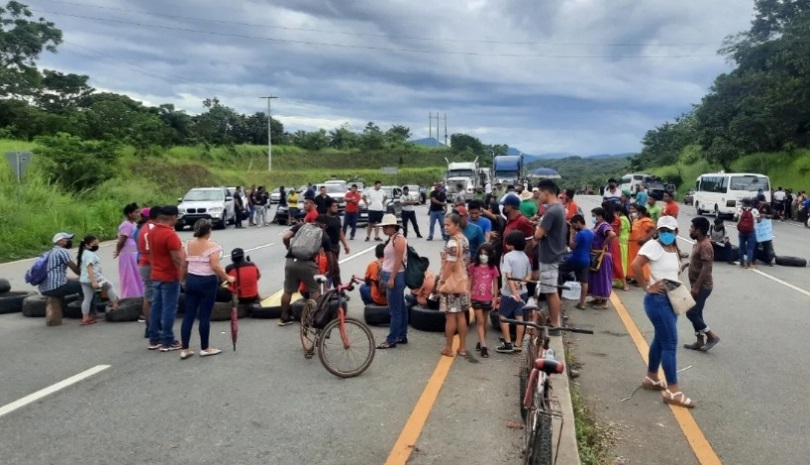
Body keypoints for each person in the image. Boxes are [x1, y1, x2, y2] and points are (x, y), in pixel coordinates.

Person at [631, 215, 695, 408]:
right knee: (670, 343)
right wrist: (646, 287)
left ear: (676, 232)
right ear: (658, 231)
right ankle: (673, 391)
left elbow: (668, 271)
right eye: (663, 231)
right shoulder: (653, 246)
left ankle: (652, 377)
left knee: (660, 339)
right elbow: (635, 265)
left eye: (670, 231)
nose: (666, 234)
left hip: (671, 298)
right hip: (658, 301)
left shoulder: (673, 248)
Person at [179, 219, 234, 360]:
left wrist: (182, 280)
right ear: (208, 231)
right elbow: (215, 266)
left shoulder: (188, 245)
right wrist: (228, 277)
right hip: (207, 282)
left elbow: (184, 265)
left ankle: (185, 348)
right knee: (204, 315)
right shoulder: (213, 246)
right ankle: (205, 348)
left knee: (189, 315)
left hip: (191, 280)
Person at [279, 215, 333, 326]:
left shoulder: (301, 226)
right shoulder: (323, 234)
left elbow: (285, 237)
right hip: (307, 264)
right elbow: (330, 257)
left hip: (291, 261)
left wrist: (288, 248)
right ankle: (311, 318)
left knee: (287, 291)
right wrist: (331, 271)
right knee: (315, 290)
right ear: (324, 225)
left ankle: (284, 317)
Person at [148, 206, 184, 352]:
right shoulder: (170, 235)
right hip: (169, 276)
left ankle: (154, 338)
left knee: (156, 307)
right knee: (169, 308)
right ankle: (168, 340)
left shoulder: (152, 232)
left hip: (156, 274)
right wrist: (183, 275)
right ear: (173, 217)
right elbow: (177, 258)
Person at [682, 217, 721, 352]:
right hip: (697, 285)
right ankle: (699, 341)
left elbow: (706, 267)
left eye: (692, 227)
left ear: (698, 230)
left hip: (703, 286)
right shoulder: (698, 243)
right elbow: (698, 261)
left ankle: (712, 336)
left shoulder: (705, 246)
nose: (690, 230)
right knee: (697, 313)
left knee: (691, 313)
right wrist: (687, 264)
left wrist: (697, 287)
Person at [533, 179, 566, 330]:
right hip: (554, 253)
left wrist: (538, 229)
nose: (539, 196)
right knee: (550, 289)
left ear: (546, 193)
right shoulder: (559, 207)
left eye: (540, 193)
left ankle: (554, 322)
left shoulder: (551, 211)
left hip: (549, 255)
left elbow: (538, 235)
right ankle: (553, 319)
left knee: (551, 291)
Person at [438, 212, 471, 357]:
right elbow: (467, 260)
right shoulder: (464, 239)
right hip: (462, 282)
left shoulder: (452, 243)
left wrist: (442, 281)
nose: (446, 227)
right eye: (444, 225)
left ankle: (449, 348)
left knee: (451, 316)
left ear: (457, 225)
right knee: (461, 315)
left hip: (451, 284)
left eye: (448, 225)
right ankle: (462, 348)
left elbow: (450, 265)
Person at [376, 214, 408, 349]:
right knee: (400, 308)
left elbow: (399, 260)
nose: (384, 229)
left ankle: (391, 340)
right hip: (392, 274)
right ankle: (401, 335)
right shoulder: (392, 239)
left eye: (385, 227)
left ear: (392, 227)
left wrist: (392, 278)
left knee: (395, 311)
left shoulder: (398, 239)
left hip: (396, 276)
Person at [496, 231, 531, 353]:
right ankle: (518, 344)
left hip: (508, 293)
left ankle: (507, 343)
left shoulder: (508, 257)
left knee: (503, 316)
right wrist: (521, 284)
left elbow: (508, 275)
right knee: (519, 317)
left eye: (507, 242)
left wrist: (513, 292)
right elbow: (529, 275)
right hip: (523, 292)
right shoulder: (525, 257)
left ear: (512, 244)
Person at [77, 235, 120, 326]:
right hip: (94, 278)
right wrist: (94, 281)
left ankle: (85, 318)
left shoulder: (84, 253)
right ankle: (115, 306)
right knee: (109, 286)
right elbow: (89, 268)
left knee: (87, 299)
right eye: (94, 244)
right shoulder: (90, 255)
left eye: (97, 243)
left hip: (84, 280)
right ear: (87, 245)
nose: (96, 245)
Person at [468, 244, 499, 358]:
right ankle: (483, 346)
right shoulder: (473, 267)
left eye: (486, 254)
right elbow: (470, 282)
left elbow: (495, 284)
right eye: (481, 253)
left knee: (484, 321)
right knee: (480, 321)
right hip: (476, 298)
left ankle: (481, 341)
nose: (483, 256)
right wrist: (468, 295)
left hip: (487, 298)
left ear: (490, 255)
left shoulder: (493, 268)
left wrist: (495, 298)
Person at [560, 215, 593, 310]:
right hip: (586, 259)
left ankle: (558, 296)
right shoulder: (590, 233)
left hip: (576, 258)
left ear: (578, 222)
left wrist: (571, 234)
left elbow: (572, 246)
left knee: (559, 270)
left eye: (574, 225)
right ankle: (582, 303)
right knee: (584, 281)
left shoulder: (580, 234)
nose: (573, 227)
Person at [137, 207, 160, 337]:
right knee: (152, 297)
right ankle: (152, 326)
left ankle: (150, 325)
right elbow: (150, 251)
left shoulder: (144, 228)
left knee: (149, 295)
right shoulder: (151, 229)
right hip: (150, 264)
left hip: (144, 263)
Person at [588, 207, 617, 309]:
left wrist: (604, 244)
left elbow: (612, 234)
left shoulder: (604, 225)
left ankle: (604, 301)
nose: (593, 218)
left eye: (594, 216)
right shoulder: (597, 225)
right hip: (596, 254)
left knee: (603, 278)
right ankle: (597, 298)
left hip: (603, 256)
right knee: (596, 278)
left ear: (600, 216)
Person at [39, 232, 82, 298]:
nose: (69, 241)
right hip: (57, 287)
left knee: (74, 281)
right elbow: (74, 267)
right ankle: (89, 304)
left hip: (44, 289)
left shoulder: (49, 253)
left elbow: (54, 274)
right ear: (59, 241)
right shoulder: (62, 251)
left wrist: (76, 278)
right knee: (86, 285)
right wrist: (84, 275)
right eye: (67, 239)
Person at [115, 203, 144, 299]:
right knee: (130, 276)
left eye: (138, 212)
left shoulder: (134, 224)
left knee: (137, 275)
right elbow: (121, 241)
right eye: (136, 212)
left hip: (134, 253)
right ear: (129, 214)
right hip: (128, 254)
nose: (138, 214)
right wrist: (118, 251)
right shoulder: (126, 225)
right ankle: (130, 296)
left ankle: (139, 294)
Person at [325, 198, 350, 286]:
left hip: (336, 246)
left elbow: (340, 232)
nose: (336, 208)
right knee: (335, 268)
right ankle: (338, 288)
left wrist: (345, 245)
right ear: (328, 208)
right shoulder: (324, 219)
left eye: (336, 206)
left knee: (332, 269)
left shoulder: (337, 218)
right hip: (328, 248)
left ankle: (327, 287)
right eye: (334, 206)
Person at [627, 205, 655, 282]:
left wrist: (644, 239)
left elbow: (652, 231)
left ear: (640, 213)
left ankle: (642, 278)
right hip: (634, 245)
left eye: (635, 211)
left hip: (641, 244)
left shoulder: (646, 221)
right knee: (634, 261)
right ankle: (635, 277)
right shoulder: (636, 220)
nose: (633, 212)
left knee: (640, 262)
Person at [735, 198, 759, 269]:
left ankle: (742, 263)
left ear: (744, 203)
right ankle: (749, 263)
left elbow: (734, 218)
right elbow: (759, 220)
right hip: (751, 231)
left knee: (741, 247)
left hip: (741, 231)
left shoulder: (740, 210)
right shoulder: (754, 210)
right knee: (750, 248)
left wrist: (740, 220)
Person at [613, 206, 632, 291]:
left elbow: (618, 232)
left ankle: (622, 282)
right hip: (624, 243)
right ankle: (619, 282)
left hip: (621, 243)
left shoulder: (622, 219)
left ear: (619, 211)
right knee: (622, 263)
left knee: (619, 263)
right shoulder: (626, 219)